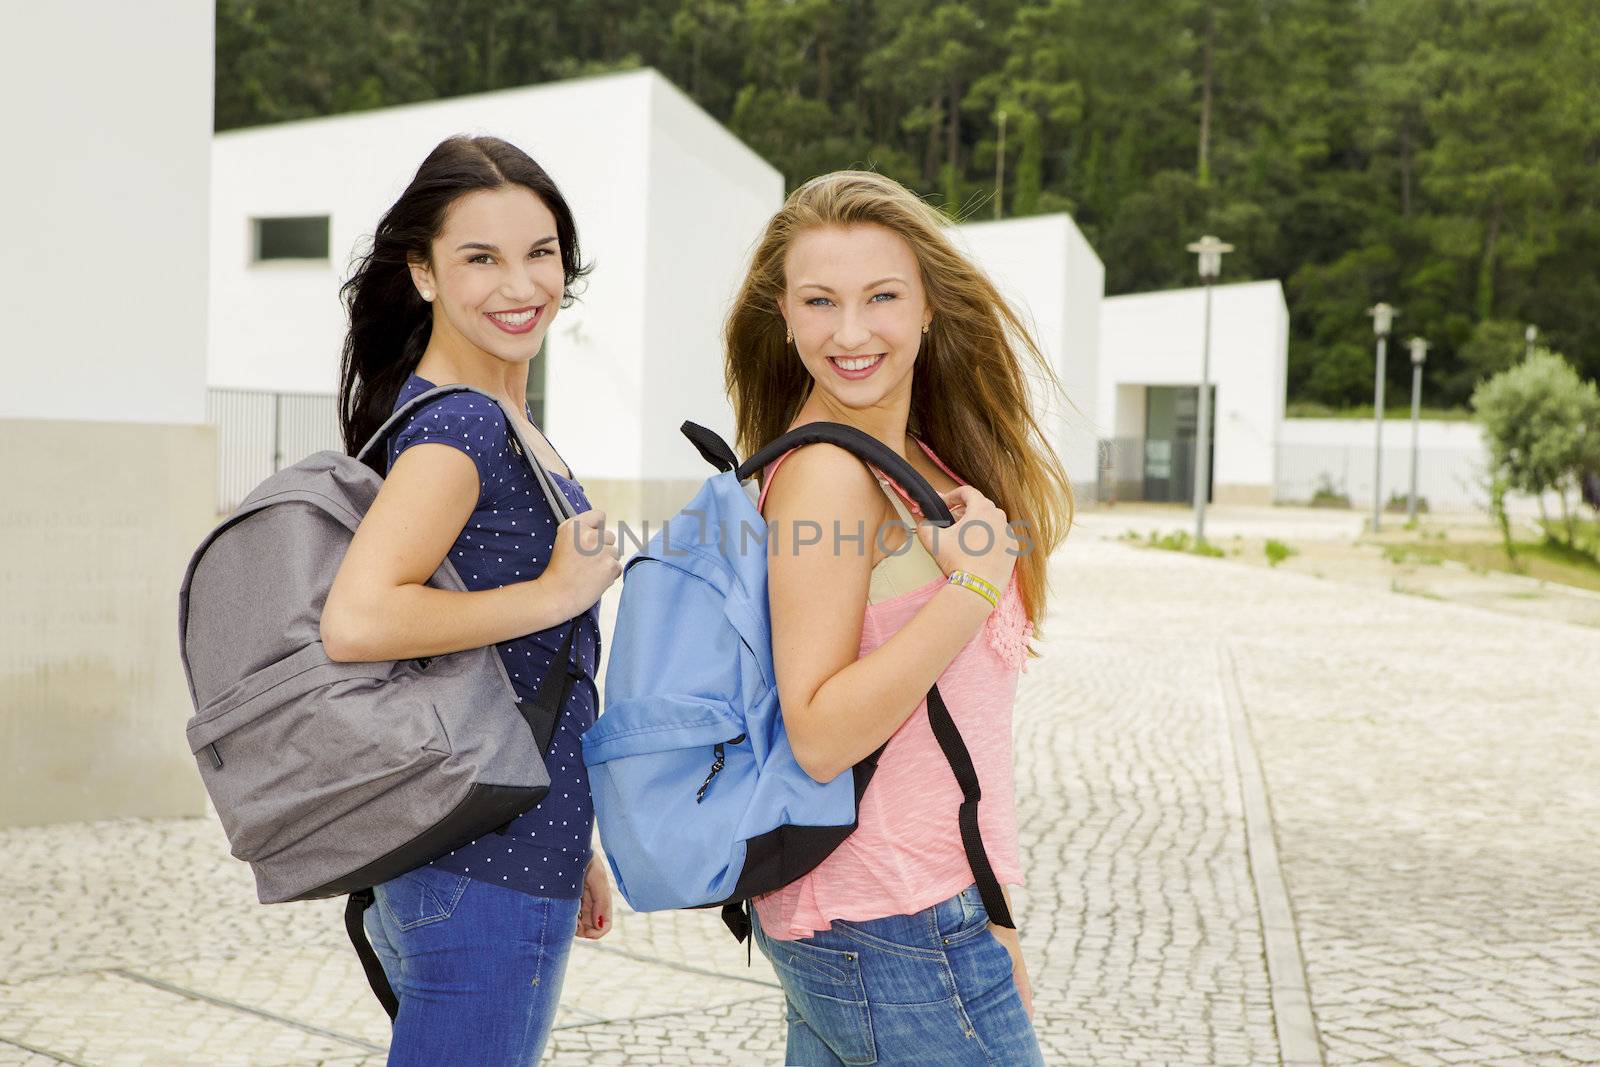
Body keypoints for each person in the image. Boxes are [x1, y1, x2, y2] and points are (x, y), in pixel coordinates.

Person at [725, 170, 1072, 1065]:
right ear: (786, 315)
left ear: (927, 307)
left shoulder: (909, 458)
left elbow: (948, 745)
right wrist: (973, 591)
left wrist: (987, 912)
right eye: (820, 301)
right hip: (890, 920)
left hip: (914, 911)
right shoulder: (829, 479)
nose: (851, 332)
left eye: (882, 296)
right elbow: (820, 730)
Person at [320, 135, 622, 1066]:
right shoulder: (460, 424)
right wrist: (556, 589)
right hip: (480, 864)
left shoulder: (488, 416)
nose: (519, 283)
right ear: (423, 272)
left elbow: (522, 673)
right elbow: (359, 620)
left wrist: (576, 834)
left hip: (485, 843)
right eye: (478, 257)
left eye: (539, 251)